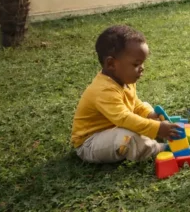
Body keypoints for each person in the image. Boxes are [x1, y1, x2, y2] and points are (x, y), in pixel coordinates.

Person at [71, 25, 182, 163]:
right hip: (90, 143)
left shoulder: (125, 79)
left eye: (142, 63)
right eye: (136, 64)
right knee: (127, 136)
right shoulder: (103, 90)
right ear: (111, 64)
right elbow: (124, 119)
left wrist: (150, 115)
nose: (142, 68)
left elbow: (135, 104)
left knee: (145, 108)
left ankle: (154, 133)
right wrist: (157, 128)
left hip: (113, 128)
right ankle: (157, 148)